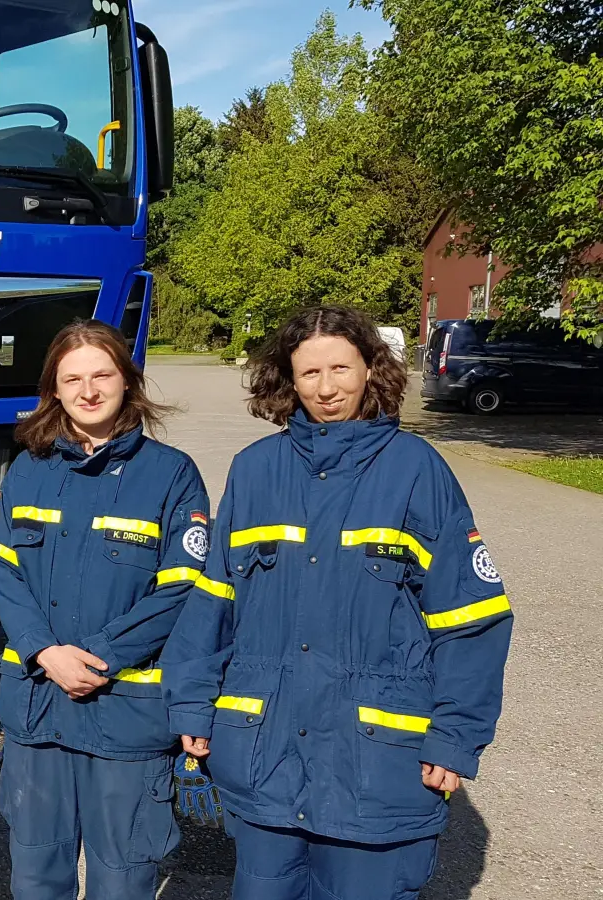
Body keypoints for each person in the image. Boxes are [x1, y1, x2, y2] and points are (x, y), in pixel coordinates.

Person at [161, 306, 514, 899]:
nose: (327, 389)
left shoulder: (415, 470)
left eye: (342, 369)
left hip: (374, 769)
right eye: (310, 373)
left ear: (372, 370)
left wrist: (455, 736)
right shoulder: (255, 471)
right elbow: (213, 601)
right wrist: (192, 707)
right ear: (287, 381)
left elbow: (471, 618)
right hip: (264, 758)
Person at [0, 320, 207, 900]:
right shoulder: (29, 468)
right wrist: (45, 650)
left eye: (102, 374)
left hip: (125, 713)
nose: (88, 390)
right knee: (35, 879)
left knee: (125, 878)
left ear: (127, 382)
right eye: (72, 378)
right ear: (53, 390)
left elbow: (182, 588)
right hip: (39, 706)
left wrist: (100, 657)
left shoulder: (172, 474)